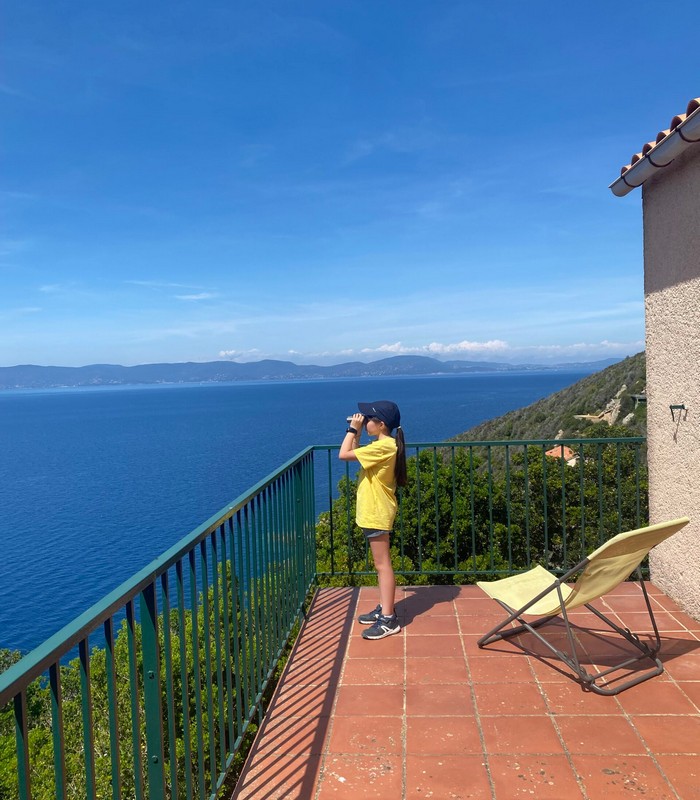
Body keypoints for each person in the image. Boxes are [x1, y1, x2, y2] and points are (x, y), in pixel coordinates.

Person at [339, 400, 407, 639]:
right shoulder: (382, 445)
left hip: (377, 512)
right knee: (381, 564)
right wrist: (358, 433)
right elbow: (355, 453)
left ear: (381, 424)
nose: (365, 421)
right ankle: (384, 607)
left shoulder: (384, 447)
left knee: (382, 564)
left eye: (369, 419)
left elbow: (343, 454)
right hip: (375, 510)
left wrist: (351, 429)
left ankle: (389, 619)